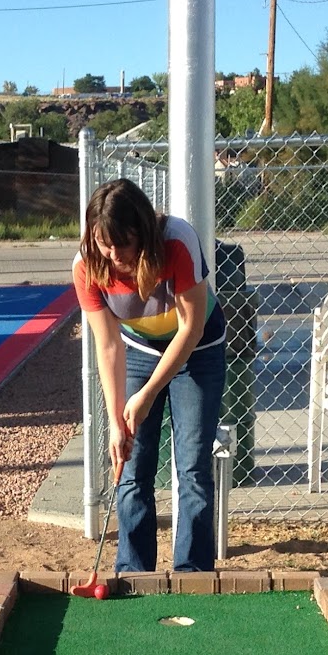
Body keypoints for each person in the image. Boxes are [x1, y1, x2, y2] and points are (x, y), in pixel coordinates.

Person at [73, 178, 228, 573]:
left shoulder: (176, 240)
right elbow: (108, 345)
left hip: (198, 349)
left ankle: (193, 575)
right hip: (140, 351)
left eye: (122, 244)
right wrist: (116, 420)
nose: (113, 255)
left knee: (192, 468)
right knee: (132, 464)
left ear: (142, 230)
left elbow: (191, 328)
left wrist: (147, 395)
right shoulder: (87, 265)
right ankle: (133, 573)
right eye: (104, 244)